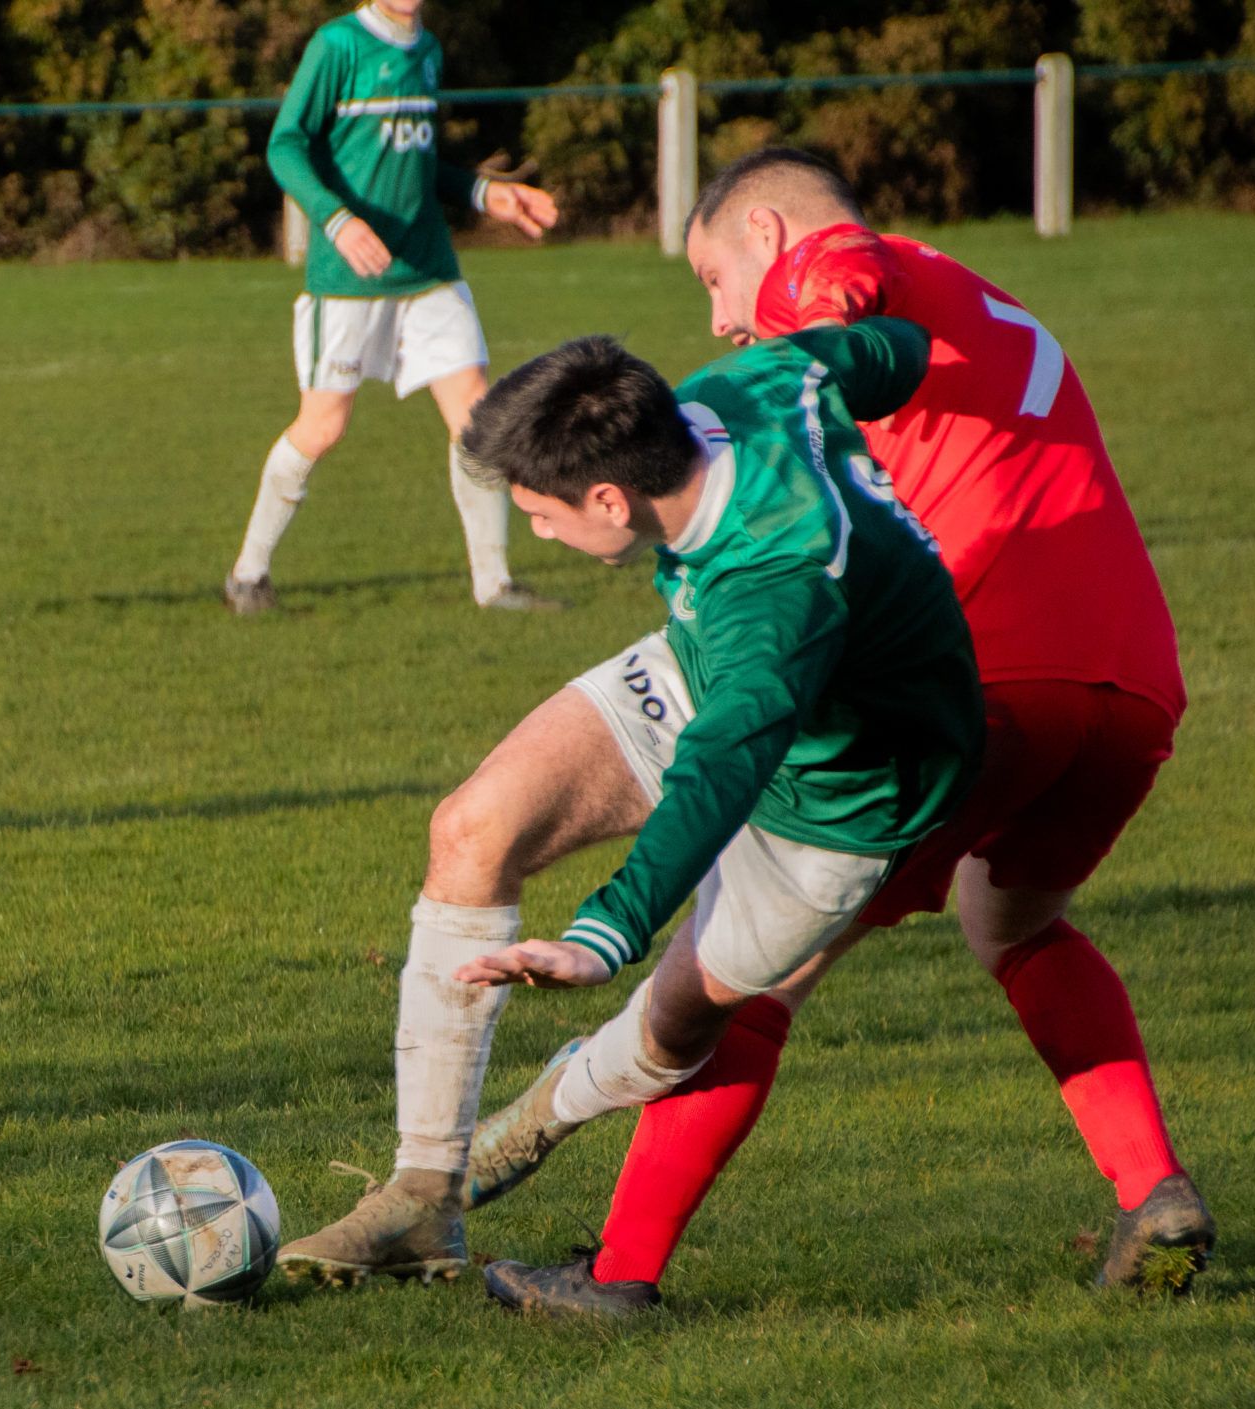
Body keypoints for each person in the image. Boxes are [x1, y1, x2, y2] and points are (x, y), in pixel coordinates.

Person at [463, 148, 1212, 1304]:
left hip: (982, 684)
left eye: (715, 279)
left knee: (748, 976)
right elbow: (878, 340)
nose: (719, 320)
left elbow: (841, 274)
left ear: (768, 235)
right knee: (1012, 926)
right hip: (1127, 682)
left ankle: (618, 1277)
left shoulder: (837, 275)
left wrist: (808, 306)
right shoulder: (959, 289)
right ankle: (1153, 1190)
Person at [277, 327, 983, 1310]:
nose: (537, 534)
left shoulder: (776, 583)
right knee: (471, 829)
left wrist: (603, 931)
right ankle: (424, 1195)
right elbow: (891, 348)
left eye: (540, 513)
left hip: (843, 797)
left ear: (609, 500)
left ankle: (546, 1111)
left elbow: (721, 771)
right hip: (706, 664)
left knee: (678, 1020)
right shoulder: (759, 376)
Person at [224, 0, 562, 615]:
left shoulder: (427, 50)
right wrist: (337, 220)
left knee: (477, 416)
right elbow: (285, 146)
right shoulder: (337, 46)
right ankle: (249, 575)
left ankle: (494, 585)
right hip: (349, 280)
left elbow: (419, 165)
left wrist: (485, 193)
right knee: (323, 428)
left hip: (428, 269)